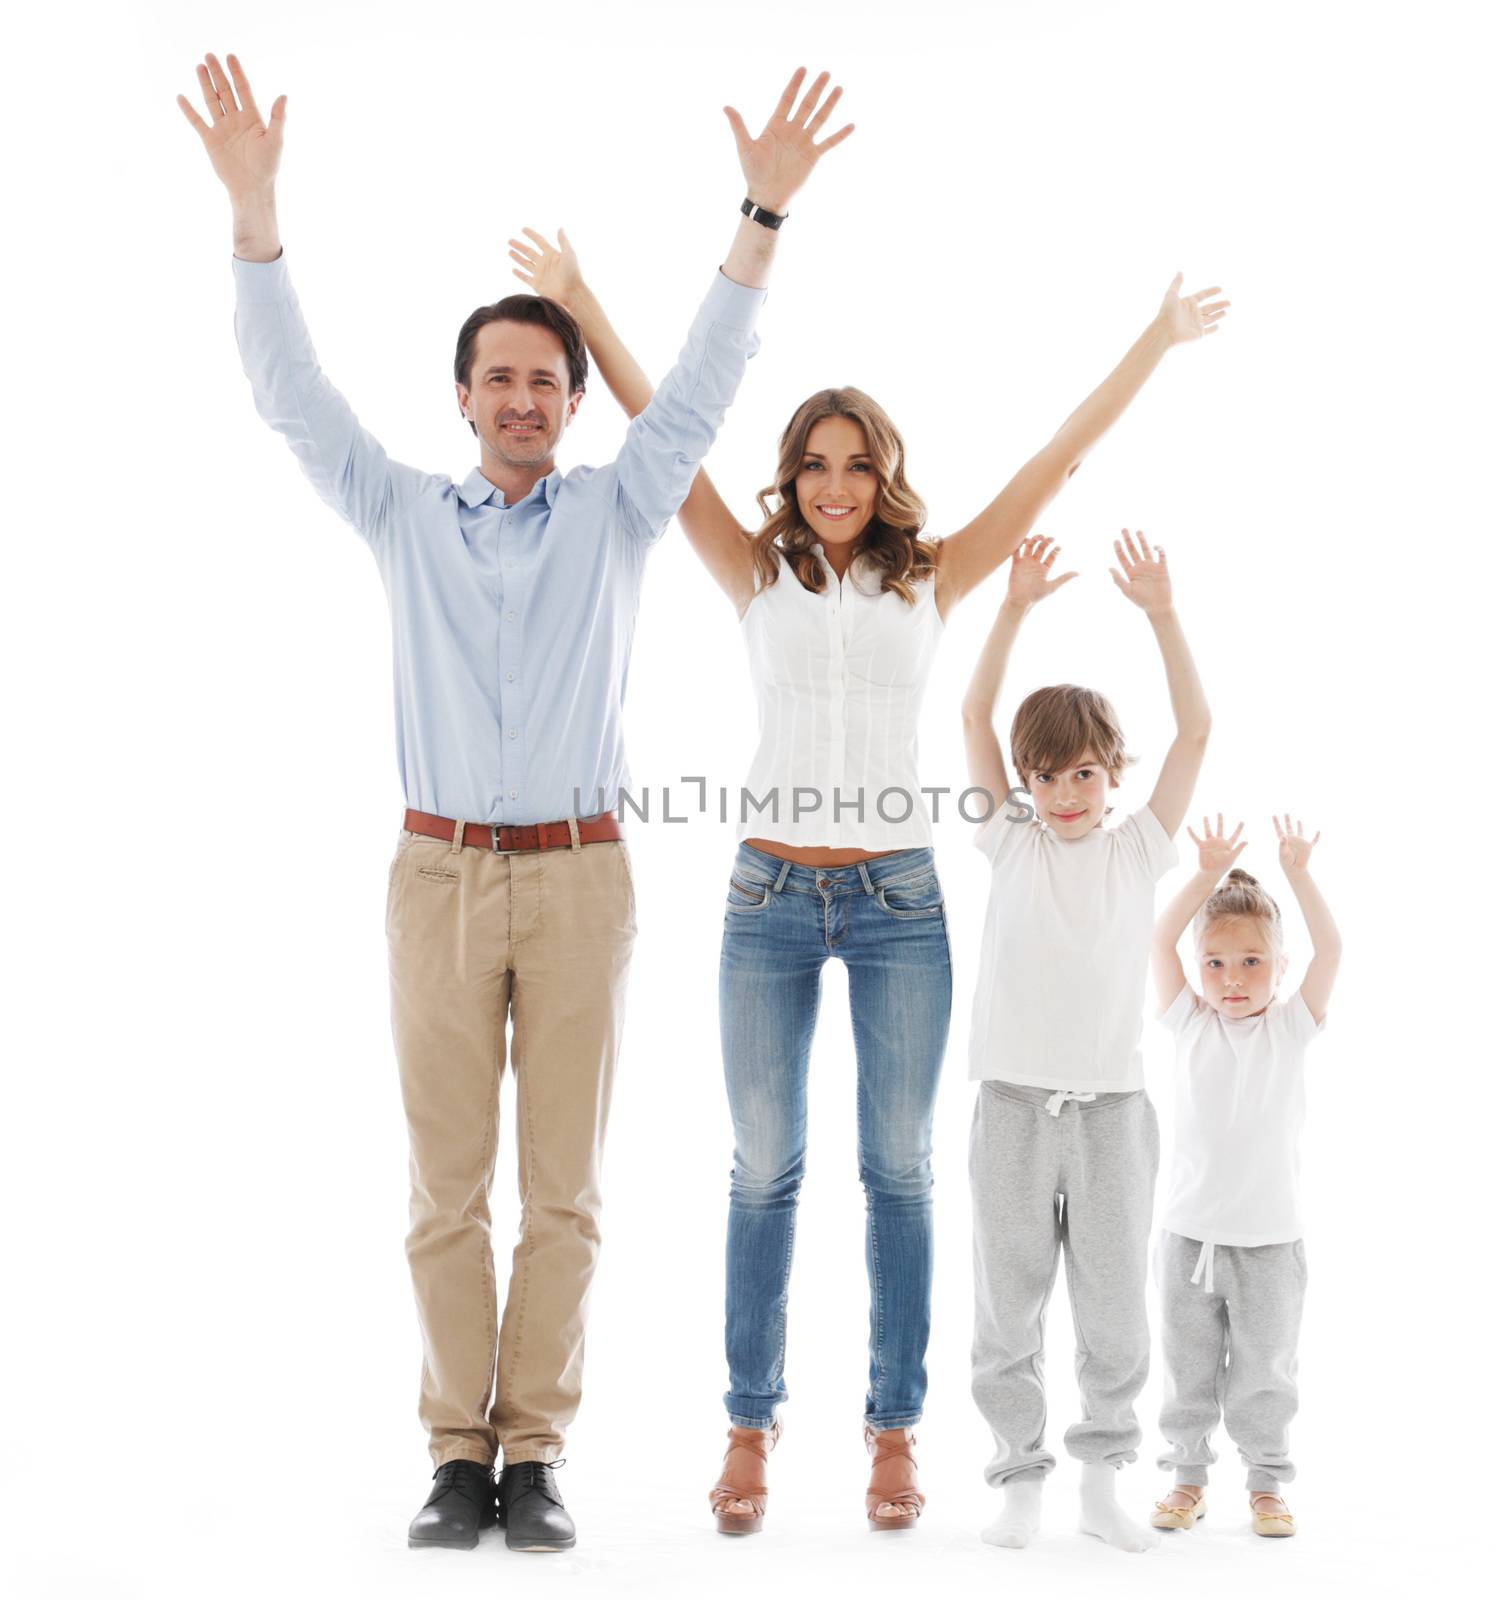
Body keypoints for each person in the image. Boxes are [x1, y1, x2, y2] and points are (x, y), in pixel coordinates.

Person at [176, 50, 852, 1553]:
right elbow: (289, 396)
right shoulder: (401, 510)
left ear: (567, 399)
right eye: (502, 378)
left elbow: (706, 383)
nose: (527, 398)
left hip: (578, 878)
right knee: (442, 1190)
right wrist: (254, 213)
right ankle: (453, 1453)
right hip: (435, 877)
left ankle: (532, 1452)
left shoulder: (618, 508)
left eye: (548, 379)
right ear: (467, 397)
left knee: (565, 1194)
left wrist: (760, 215)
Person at [507, 231, 1226, 1532]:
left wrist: (1158, 342)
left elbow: (1056, 457)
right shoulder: (754, 567)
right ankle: (747, 1429)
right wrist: (585, 307)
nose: (835, 482)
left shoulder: (936, 573)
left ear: (885, 475)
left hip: (899, 899)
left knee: (897, 1171)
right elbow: (664, 431)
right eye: (814, 463)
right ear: (794, 478)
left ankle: (895, 1435)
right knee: (763, 1167)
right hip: (769, 896)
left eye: (857, 461)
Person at [960, 532, 1209, 1553]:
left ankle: (1103, 1477)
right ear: (1026, 780)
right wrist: (1012, 607)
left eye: (1085, 775)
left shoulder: (1138, 850)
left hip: (1111, 1111)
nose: (1066, 794)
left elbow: (1197, 730)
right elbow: (971, 713)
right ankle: (1019, 1478)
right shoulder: (1009, 838)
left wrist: (1159, 613)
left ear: (1111, 775)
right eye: (1048, 776)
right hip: (1012, 1103)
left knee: (1112, 1307)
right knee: (1006, 1302)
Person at [1146, 814, 1340, 1538]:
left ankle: (1266, 1484)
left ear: (1279, 967)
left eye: (1252, 962)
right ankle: (1187, 1478)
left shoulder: (1290, 1028)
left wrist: (1299, 873)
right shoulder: (1190, 1024)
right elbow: (1158, 939)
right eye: (1217, 963)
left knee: (1265, 1374)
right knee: (1188, 1372)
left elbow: (1334, 948)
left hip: (1269, 1244)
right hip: (1188, 1239)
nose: (1232, 979)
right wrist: (1202, 874)